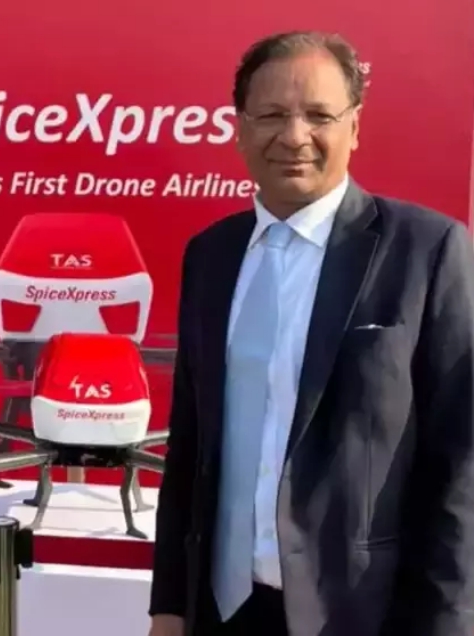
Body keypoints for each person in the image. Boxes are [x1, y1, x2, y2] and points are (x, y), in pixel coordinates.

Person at [149, 31, 474, 636]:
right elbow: (190, 448)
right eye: (272, 115)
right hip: (222, 610)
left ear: (355, 127)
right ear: (240, 128)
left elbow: (461, 465)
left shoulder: (427, 251)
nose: (294, 136)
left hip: (361, 615)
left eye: (319, 115)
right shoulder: (210, 256)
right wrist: (169, 606)